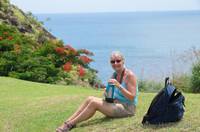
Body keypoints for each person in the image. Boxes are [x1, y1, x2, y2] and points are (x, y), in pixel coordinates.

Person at [56, 51, 138, 132]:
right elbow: (111, 95)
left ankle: (70, 125)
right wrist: (107, 93)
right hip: (117, 103)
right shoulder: (114, 75)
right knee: (89, 99)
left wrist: (119, 86)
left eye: (118, 61)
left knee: (94, 103)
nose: (115, 63)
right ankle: (67, 122)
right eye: (113, 61)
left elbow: (132, 97)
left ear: (123, 61)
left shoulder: (129, 75)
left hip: (128, 108)